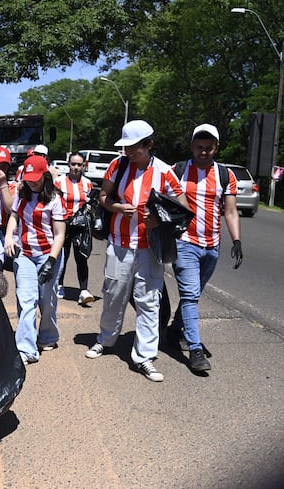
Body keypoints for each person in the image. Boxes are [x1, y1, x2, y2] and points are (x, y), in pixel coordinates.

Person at [85, 120, 188, 382]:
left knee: (149, 300)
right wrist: (118, 208)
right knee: (113, 294)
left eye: (133, 148)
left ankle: (144, 357)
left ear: (148, 145)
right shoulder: (117, 165)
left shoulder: (165, 172)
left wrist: (159, 220)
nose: (127, 152)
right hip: (119, 243)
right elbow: (104, 198)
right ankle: (105, 340)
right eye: (125, 147)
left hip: (150, 247)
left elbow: (182, 208)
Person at [168, 124, 242, 372]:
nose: (203, 152)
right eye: (199, 147)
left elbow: (230, 211)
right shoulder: (177, 171)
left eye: (208, 148)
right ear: (191, 146)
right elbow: (160, 199)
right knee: (190, 295)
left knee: (194, 293)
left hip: (212, 245)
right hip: (184, 242)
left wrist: (237, 240)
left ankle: (175, 329)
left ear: (216, 148)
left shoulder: (225, 175)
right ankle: (195, 350)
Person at [4, 155, 66, 365]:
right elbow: (14, 217)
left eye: (36, 178)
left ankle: (48, 335)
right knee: (26, 299)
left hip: (48, 254)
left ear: (45, 175)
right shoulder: (22, 195)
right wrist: (9, 237)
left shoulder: (55, 199)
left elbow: (59, 234)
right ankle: (27, 348)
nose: (32, 181)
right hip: (25, 255)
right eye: (28, 178)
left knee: (46, 300)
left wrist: (51, 260)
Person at [54, 152, 95, 304]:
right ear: (68, 164)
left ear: (83, 166)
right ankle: (59, 285)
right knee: (62, 257)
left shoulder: (88, 183)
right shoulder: (59, 182)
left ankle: (84, 290)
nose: (76, 167)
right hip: (63, 224)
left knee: (82, 257)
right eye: (73, 164)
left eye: (79, 164)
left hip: (80, 226)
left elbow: (90, 204)